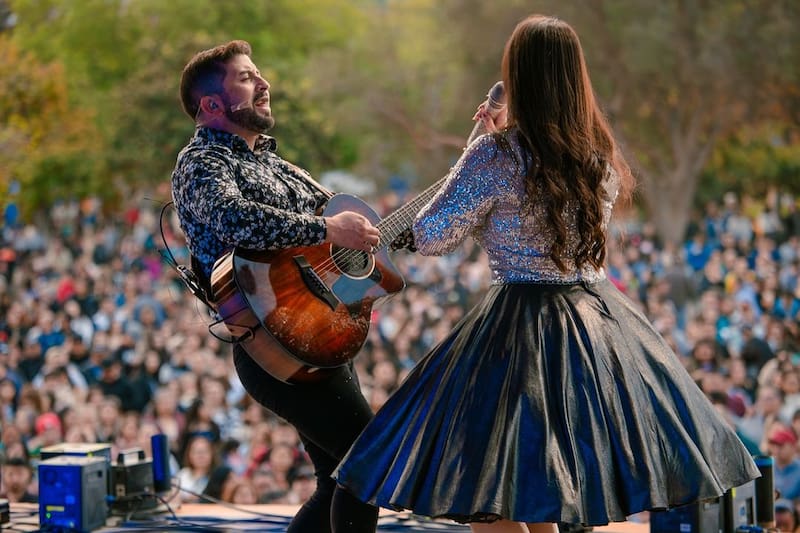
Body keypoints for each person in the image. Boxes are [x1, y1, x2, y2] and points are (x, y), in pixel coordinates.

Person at [333, 14, 760, 533]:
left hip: (515, 334)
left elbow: (431, 235)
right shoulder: (597, 154)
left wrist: (472, 152)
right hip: (596, 330)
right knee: (544, 498)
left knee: (491, 496)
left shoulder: (496, 154)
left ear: (518, 78)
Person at [171, 40, 412, 532]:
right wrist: (328, 230)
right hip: (272, 348)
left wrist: (422, 215)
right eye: (246, 77)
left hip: (321, 335)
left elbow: (356, 227)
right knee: (365, 466)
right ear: (211, 106)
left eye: (259, 74)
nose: (264, 84)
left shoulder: (279, 167)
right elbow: (237, 220)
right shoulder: (200, 164)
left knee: (337, 480)